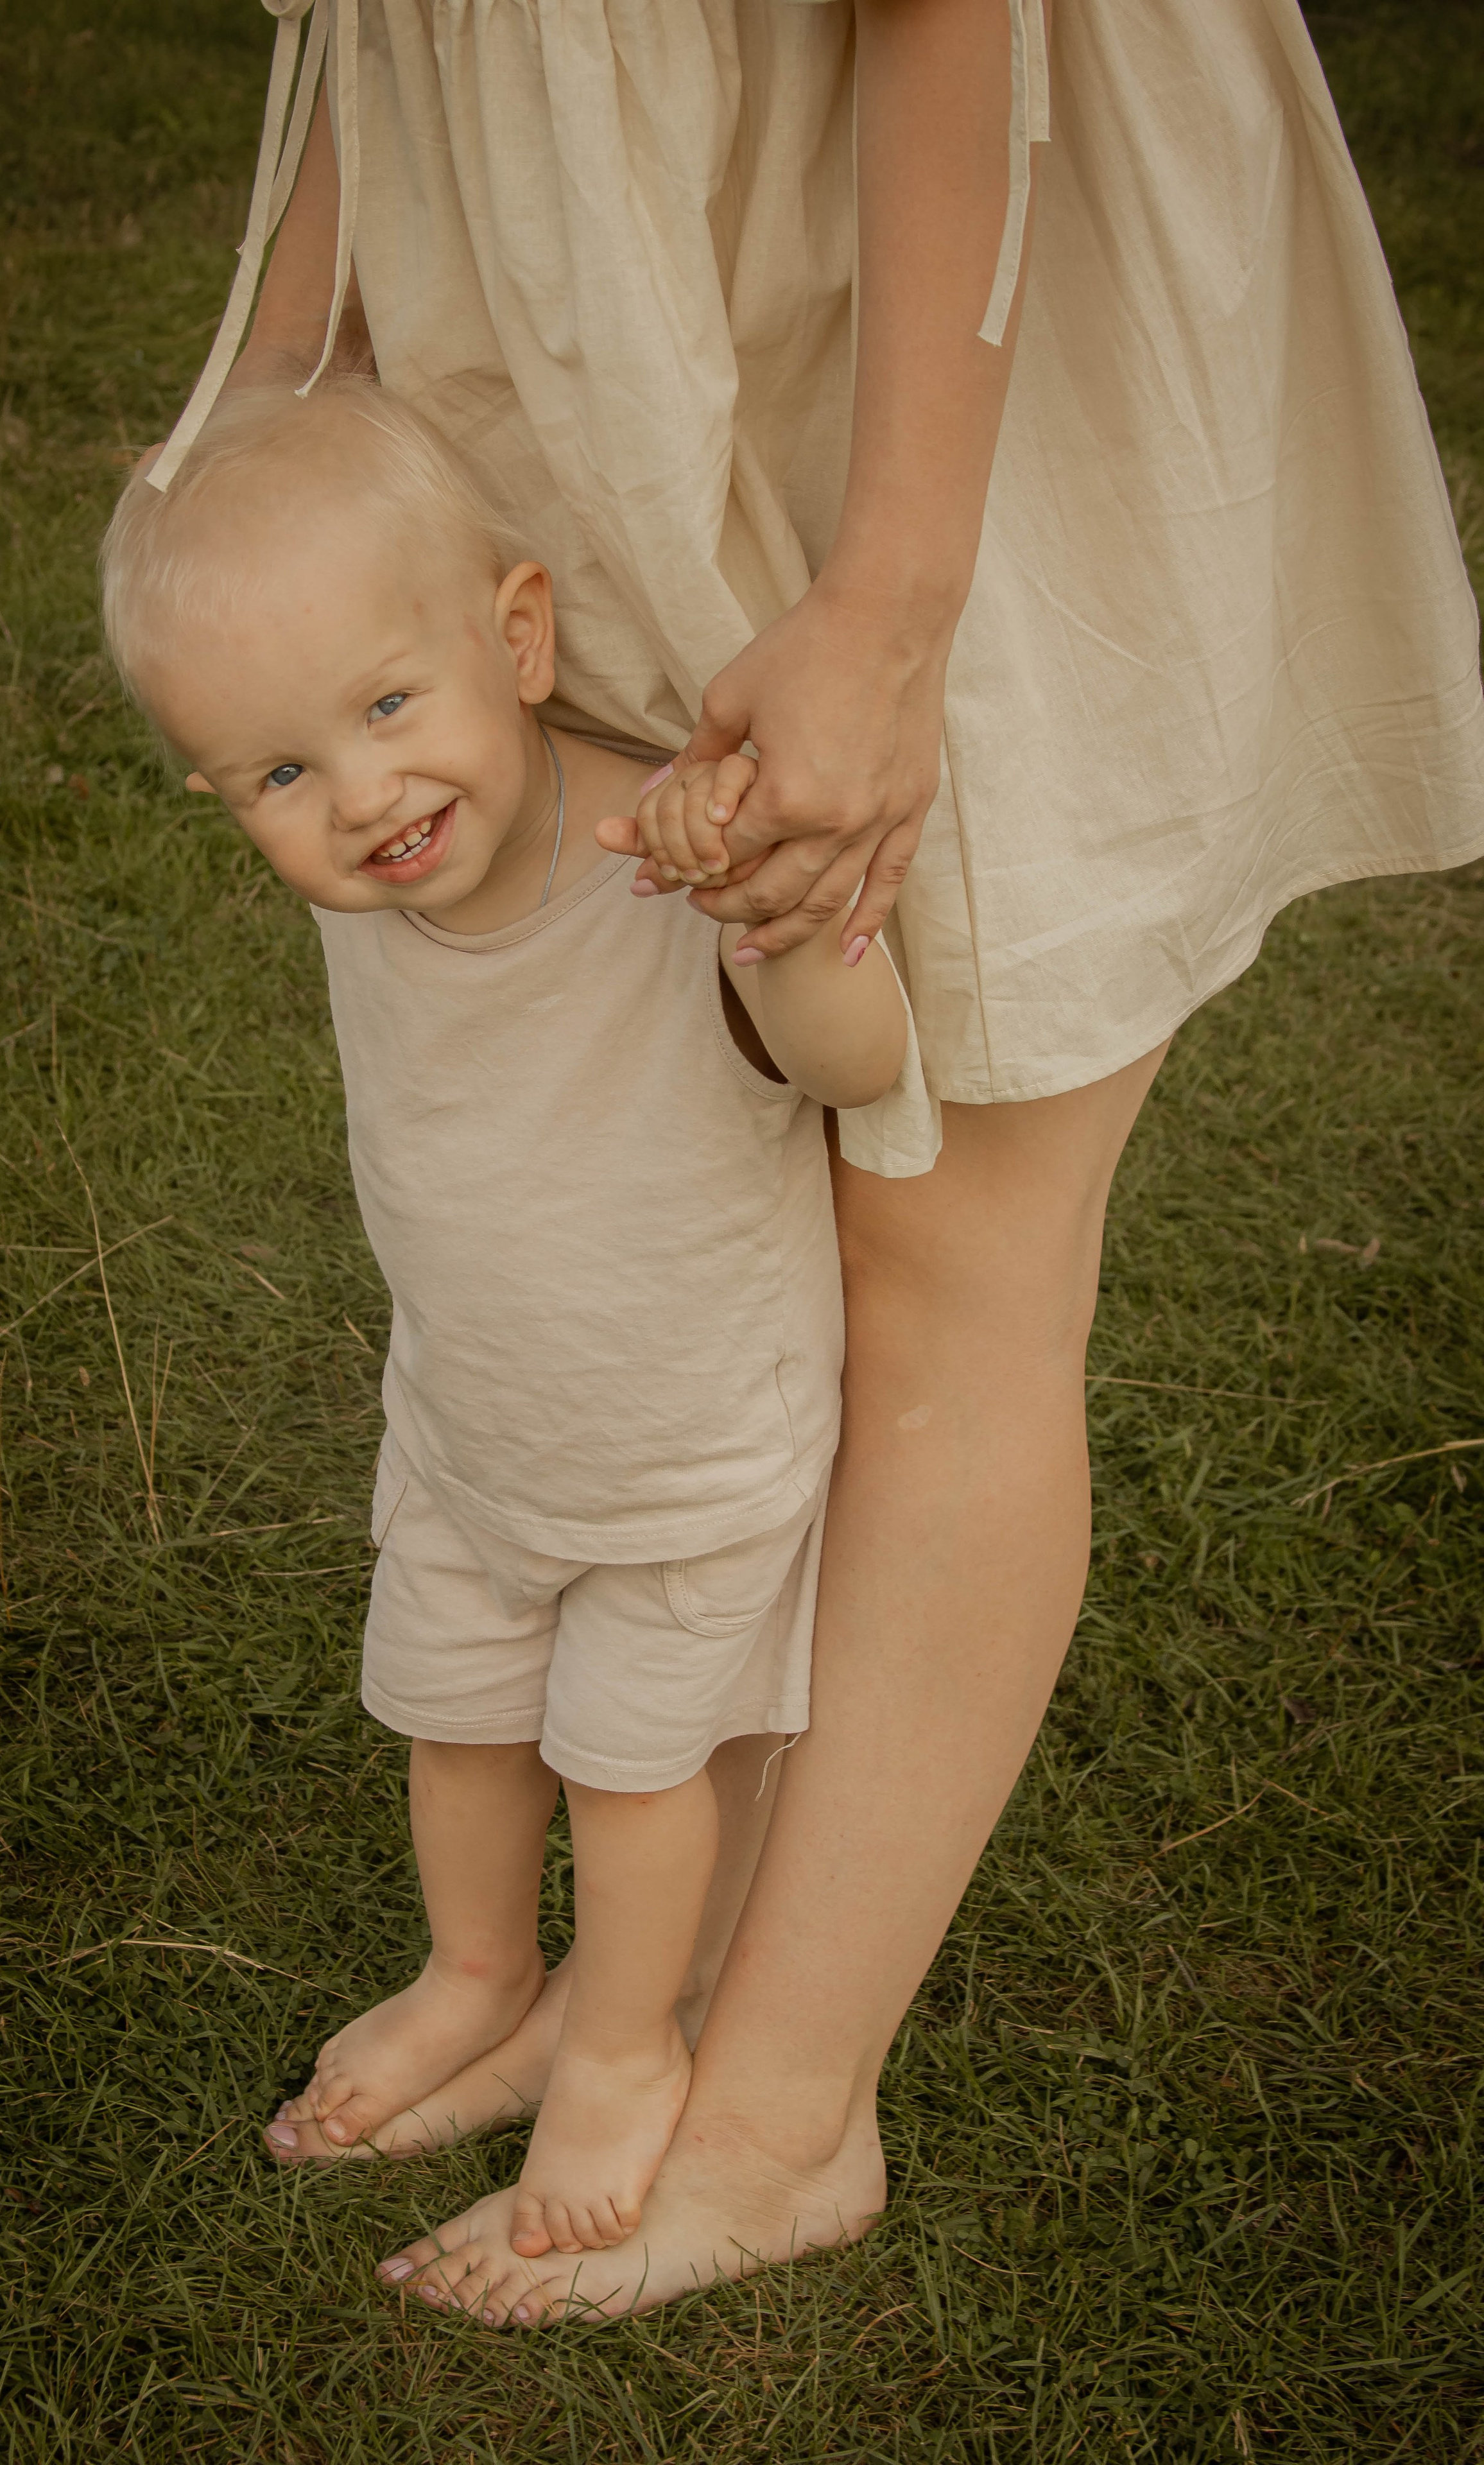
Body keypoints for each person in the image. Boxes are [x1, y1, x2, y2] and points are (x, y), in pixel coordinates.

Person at [141, 0, 1484, 2321]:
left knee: (948, 1250)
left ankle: (775, 2111)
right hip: (585, 287)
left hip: (930, 262)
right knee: (733, 1230)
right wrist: (253, 417)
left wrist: (886, 604)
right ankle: (630, 2002)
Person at [101, 379, 922, 2267]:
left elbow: (865, 1070)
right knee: (458, 1726)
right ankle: (477, 1972)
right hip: (473, 1426)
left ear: (521, 635)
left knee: (631, 1775)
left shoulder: (659, 858)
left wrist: (776, 929)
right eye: (278, 776)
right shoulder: (372, 886)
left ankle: (626, 2045)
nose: (364, 797)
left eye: (389, 709)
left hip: (684, 1444)